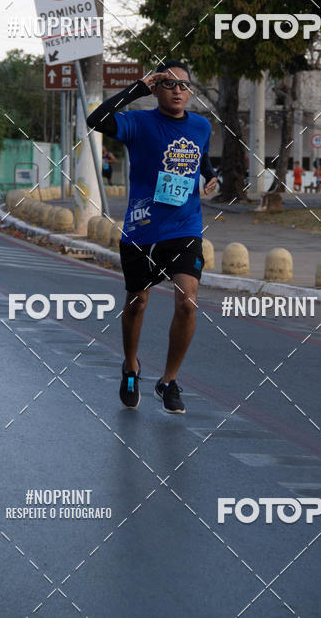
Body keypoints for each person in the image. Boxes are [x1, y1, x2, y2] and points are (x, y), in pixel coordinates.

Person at [87, 61, 218, 415]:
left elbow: (201, 158)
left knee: (187, 302)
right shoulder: (138, 123)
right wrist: (136, 89)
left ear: (190, 92)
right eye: (168, 84)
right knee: (137, 303)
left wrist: (210, 176)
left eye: (184, 86)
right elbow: (95, 120)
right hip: (142, 230)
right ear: (156, 90)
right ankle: (131, 365)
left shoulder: (201, 125)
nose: (178, 91)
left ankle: (169, 381)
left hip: (184, 227)